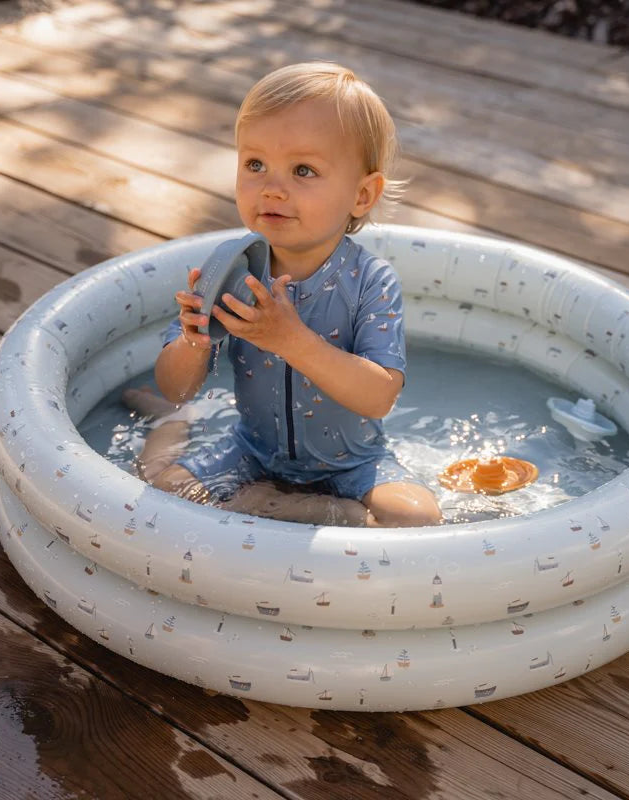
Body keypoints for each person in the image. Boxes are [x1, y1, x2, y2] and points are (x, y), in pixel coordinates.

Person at [124, 62, 442, 528]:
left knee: (416, 517)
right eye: (255, 165)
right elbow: (175, 388)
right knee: (162, 488)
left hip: (352, 463)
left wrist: (292, 341)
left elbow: (380, 398)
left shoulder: (370, 281)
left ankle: (267, 505)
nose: (272, 189)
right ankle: (176, 425)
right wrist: (193, 342)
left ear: (362, 195)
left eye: (303, 170)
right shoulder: (233, 270)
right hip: (252, 452)